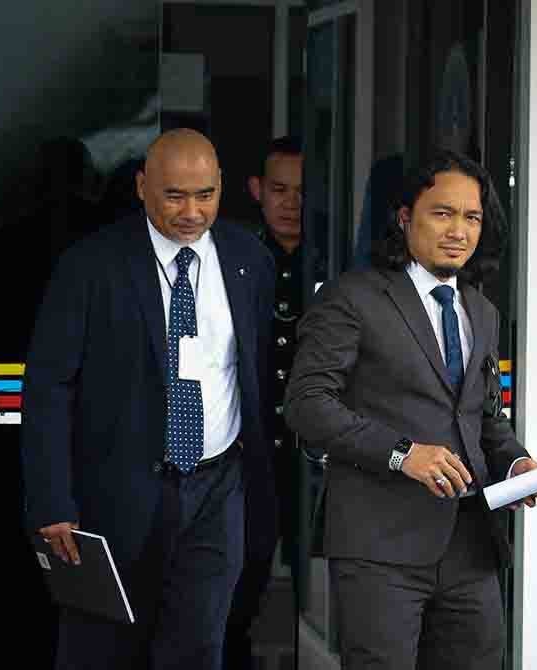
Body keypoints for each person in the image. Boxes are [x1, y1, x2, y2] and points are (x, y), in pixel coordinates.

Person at [283, 150, 537, 670]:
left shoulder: (482, 310)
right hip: (378, 546)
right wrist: (402, 453)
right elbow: (307, 403)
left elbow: (484, 419)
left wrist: (517, 464)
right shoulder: (351, 298)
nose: (458, 230)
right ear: (405, 217)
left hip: (471, 545)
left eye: (471, 217)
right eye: (442, 213)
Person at [21, 128, 278, 669]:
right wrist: (51, 501)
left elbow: (252, 373)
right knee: (102, 648)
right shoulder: (91, 265)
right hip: (116, 488)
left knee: (199, 647)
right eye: (174, 195)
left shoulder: (248, 260)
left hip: (217, 488)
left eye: (205, 195)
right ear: (142, 187)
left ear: (222, 188)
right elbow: (48, 387)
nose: (191, 212)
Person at [223, 135, 312, 669]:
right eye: (278, 189)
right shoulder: (231, 258)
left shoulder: (334, 260)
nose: (290, 202)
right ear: (256, 190)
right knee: (238, 582)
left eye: (302, 191)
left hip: (314, 456)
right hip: (247, 452)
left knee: (319, 590)